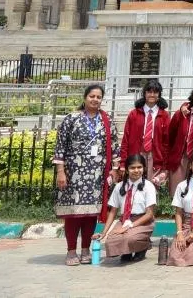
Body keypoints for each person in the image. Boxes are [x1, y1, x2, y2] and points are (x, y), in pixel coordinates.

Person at [54, 84, 120, 266]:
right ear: (85, 97)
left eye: (98, 97)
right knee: (73, 213)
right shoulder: (71, 119)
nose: (95, 100)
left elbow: (115, 146)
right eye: (92, 96)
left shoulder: (106, 120)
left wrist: (115, 168)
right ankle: (71, 250)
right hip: (73, 173)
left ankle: (85, 249)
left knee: (90, 213)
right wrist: (61, 171)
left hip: (96, 174)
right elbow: (60, 147)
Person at [93, 154, 156, 262]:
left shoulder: (148, 186)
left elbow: (149, 214)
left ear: (144, 168)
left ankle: (143, 246)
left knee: (129, 238)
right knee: (110, 241)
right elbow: (113, 212)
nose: (136, 170)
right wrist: (104, 233)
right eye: (132, 168)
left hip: (142, 221)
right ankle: (127, 251)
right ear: (126, 170)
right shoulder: (119, 186)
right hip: (124, 219)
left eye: (139, 167)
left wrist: (128, 227)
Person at [118, 79, 170, 187]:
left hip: (154, 156)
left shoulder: (164, 115)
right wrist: (123, 162)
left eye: (155, 92)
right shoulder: (134, 114)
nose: (152, 95)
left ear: (159, 95)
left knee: (151, 188)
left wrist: (165, 165)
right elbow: (126, 139)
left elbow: (167, 142)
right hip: (136, 154)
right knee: (134, 187)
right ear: (144, 93)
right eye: (149, 92)